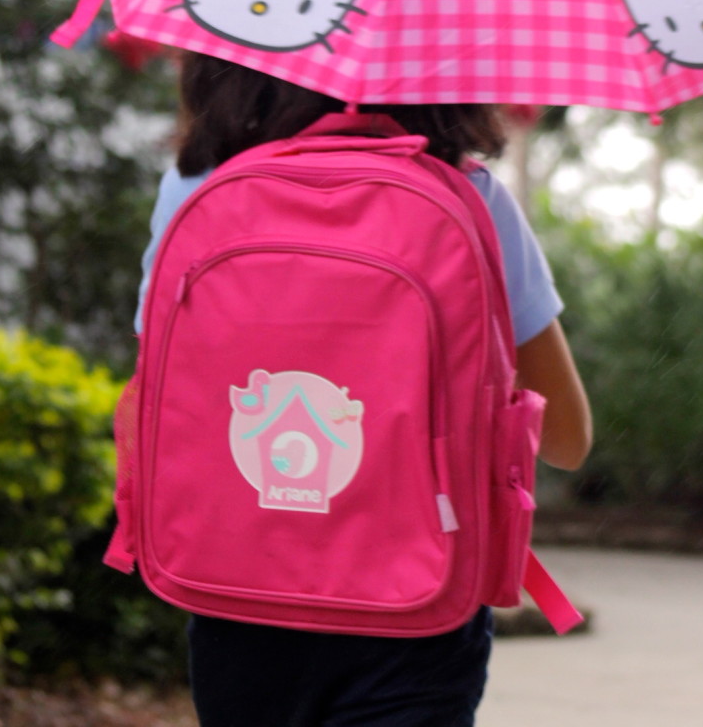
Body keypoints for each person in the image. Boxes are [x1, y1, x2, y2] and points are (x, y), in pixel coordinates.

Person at [133, 52, 592, 727]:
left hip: (236, 596)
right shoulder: (470, 195)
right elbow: (567, 440)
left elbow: (164, 386)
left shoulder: (197, 185)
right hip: (414, 607)